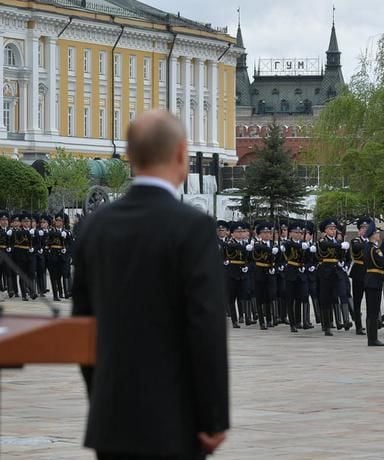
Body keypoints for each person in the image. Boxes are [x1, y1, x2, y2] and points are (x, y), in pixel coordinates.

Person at [72, 110, 229, 459]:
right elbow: (206, 327)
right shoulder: (193, 228)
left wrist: (103, 399)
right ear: (180, 154)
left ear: (130, 156)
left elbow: (82, 328)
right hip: (174, 420)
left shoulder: (95, 227)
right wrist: (214, 416)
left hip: (111, 419)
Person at [363, 220, 384, 346]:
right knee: (374, 311)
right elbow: (383, 263)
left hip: (370, 278)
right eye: (377, 233)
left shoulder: (368, 247)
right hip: (375, 280)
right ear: (372, 235)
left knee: (371, 310)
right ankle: (373, 338)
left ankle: (371, 338)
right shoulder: (375, 250)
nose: (379, 235)